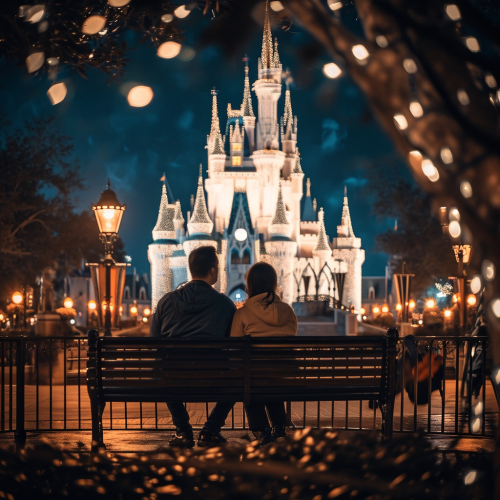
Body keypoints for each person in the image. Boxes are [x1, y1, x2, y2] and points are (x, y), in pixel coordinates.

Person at [150, 245, 236, 448]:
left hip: (173, 378)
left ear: (190, 269)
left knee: (165, 370)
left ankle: (183, 431)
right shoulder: (225, 304)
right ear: (213, 271)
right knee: (238, 380)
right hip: (216, 378)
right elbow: (233, 342)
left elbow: (155, 341)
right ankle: (210, 430)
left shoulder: (166, 301)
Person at [230, 262, 298, 445]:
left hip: (253, 376)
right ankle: (279, 425)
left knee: (251, 380)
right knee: (271, 376)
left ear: (249, 285)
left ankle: (261, 429)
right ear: (274, 284)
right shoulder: (289, 312)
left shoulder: (242, 314)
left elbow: (234, 348)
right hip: (284, 376)